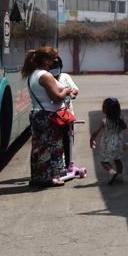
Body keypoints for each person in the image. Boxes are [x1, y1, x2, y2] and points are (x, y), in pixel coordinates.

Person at [22, 46, 73, 187]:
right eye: (53, 58)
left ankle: (37, 177)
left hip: (37, 113)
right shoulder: (45, 76)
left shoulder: (33, 74)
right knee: (52, 146)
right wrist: (67, 91)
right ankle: (49, 178)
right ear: (45, 60)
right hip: (48, 115)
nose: (55, 60)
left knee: (39, 146)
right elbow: (56, 98)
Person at [51, 56, 86, 179]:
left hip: (67, 115)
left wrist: (72, 93)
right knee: (56, 141)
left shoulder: (65, 77)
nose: (54, 70)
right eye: (52, 67)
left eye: (56, 67)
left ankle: (68, 164)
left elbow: (75, 89)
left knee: (68, 139)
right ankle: (57, 166)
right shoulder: (47, 79)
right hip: (54, 114)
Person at [90, 97, 128, 185]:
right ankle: (119, 176)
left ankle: (111, 171)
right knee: (117, 159)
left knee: (104, 160)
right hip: (118, 143)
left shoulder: (104, 121)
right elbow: (125, 127)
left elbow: (95, 132)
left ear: (105, 110)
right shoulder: (120, 120)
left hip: (107, 144)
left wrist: (91, 140)